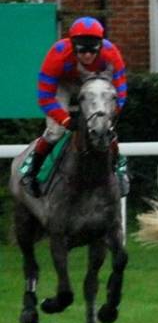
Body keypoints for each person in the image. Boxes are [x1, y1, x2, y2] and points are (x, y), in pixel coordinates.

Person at [19, 18, 128, 196]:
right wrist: (66, 120)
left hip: (94, 82)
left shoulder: (111, 53)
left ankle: (119, 168)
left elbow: (121, 91)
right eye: (81, 50)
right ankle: (32, 171)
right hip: (63, 84)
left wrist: (111, 115)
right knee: (56, 131)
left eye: (92, 50)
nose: (87, 55)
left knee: (104, 126)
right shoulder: (57, 54)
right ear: (72, 45)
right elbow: (45, 97)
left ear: (101, 46)